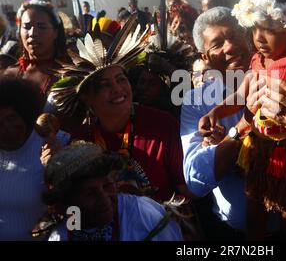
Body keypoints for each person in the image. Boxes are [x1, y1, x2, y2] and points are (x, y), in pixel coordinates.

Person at [181, 3, 286, 240]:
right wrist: (240, 126)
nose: (231, 47)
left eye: (235, 36)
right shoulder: (197, 101)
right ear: (205, 57)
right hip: (235, 236)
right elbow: (195, 181)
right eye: (217, 43)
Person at [46, 16, 192, 203]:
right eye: (105, 85)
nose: (117, 89)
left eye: (121, 79)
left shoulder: (163, 125)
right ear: (86, 97)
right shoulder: (80, 141)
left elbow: (185, 189)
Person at [40, 141, 183, 241]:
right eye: (90, 193)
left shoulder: (142, 214)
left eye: (107, 186)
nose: (104, 199)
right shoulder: (61, 236)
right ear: (67, 204)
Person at [0, 77, 69, 240]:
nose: (7, 128)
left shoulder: (56, 143)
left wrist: (71, 236)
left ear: (24, 112)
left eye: (11, 118)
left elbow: (78, 212)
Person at [4, 0, 66, 96]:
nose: (33, 33)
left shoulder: (71, 74)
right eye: (27, 27)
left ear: (55, 33)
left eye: (42, 27)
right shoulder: (10, 75)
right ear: (19, 32)